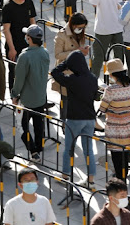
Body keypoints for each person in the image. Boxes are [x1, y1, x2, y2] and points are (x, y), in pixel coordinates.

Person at [51, 50, 99, 188]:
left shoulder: (72, 80)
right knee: (88, 149)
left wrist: (65, 63)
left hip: (74, 118)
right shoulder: (93, 79)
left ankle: (65, 175)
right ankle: (90, 180)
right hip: (90, 118)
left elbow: (54, 73)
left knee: (69, 148)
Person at [11, 25, 50, 162]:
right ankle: (39, 148)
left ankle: (33, 151)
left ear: (29, 38)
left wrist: (14, 94)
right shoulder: (45, 53)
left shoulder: (25, 56)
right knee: (39, 125)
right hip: (40, 97)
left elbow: (19, 79)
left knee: (22, 127)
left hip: (26, 100)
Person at [99, 59, 130, 181]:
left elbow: (102, 108)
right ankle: (124, 176)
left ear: (111, 74)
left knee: (116, 157)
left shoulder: (110, 90)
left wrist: (103, 96)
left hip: (115, 130)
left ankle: (120, 182)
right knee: (125, 155)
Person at [89, 0, 125, 76]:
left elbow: (94, 2)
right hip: (120, 26)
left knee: (98, 58)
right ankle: (120, 83)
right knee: (119, 58)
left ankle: (93, 83)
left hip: (103, 27)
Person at [53, 12, 90, 117]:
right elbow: (57, 55)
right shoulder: (61, 35)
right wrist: (75, 52)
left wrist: (83, 52)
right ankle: (64, 123)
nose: (81, 30)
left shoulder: (80, 34)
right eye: (80, 27)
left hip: (79, 71)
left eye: (83, 28)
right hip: (66, 71)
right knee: (65, 101)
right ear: (73, 25)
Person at [2, 0, 37, 90]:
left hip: (28, 44)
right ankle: (14, 98)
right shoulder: (8, 7)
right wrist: (12, 49)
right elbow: (6, 29)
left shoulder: (29, 2)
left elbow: (32, 21)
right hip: (15, 44)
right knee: (14, 72)